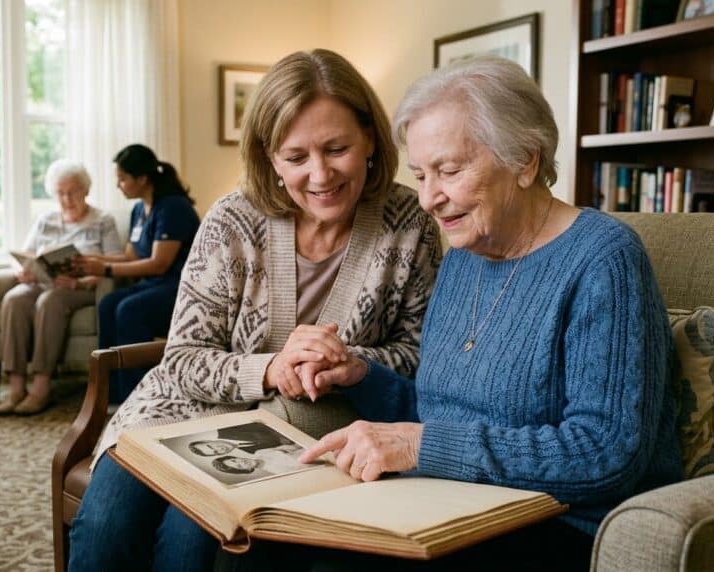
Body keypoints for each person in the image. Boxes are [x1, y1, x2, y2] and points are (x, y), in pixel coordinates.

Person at [222, 56, 681, 571]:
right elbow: (442, 407)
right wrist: (359, 376)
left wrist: (421, 446)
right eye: (420, 175)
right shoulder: (464, 256)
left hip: (554, 523)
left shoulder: (603, 259)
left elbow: (605, 454)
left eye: (450, 170)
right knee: (258, 541)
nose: (429, 199)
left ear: (526, 160)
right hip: (447, 503)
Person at [68, 49, 442, 572]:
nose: (320, 174)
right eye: (296, 157)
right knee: (106, 528)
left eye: (337, 148)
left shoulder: (411, 222)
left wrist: (347, 361)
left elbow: (420, 355)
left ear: (372, 139)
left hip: (295, 428)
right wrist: (268, 367)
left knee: (192, 538)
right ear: (270, 157)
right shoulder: (232, 221)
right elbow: (182, 360)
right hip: (175, 412)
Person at [74, 144, 201, 402]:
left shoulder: (173, 207)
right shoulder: (139, 210)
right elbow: (132, 256)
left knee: (129, 310)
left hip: (181, 287)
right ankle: (110, 393)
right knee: (109, 303)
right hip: (155, 284)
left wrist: (105, 268)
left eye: (122, 179)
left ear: (142, 179)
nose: (118, 185)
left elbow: (158, 264)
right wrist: (90, 259)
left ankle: (138, 395)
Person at [0, 159, 122, 416]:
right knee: (14, 299)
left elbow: (116, 260)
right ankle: (16, 386)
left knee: (50, 300)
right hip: (43, 282)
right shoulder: (46, 220)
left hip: (80, 288)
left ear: (86, 190)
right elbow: (28, 252)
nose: (66, 198)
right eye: (60, 193)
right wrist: (25, 270)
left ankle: (42, 387)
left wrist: (80, 279)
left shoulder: (102, 221)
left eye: (72, 191)